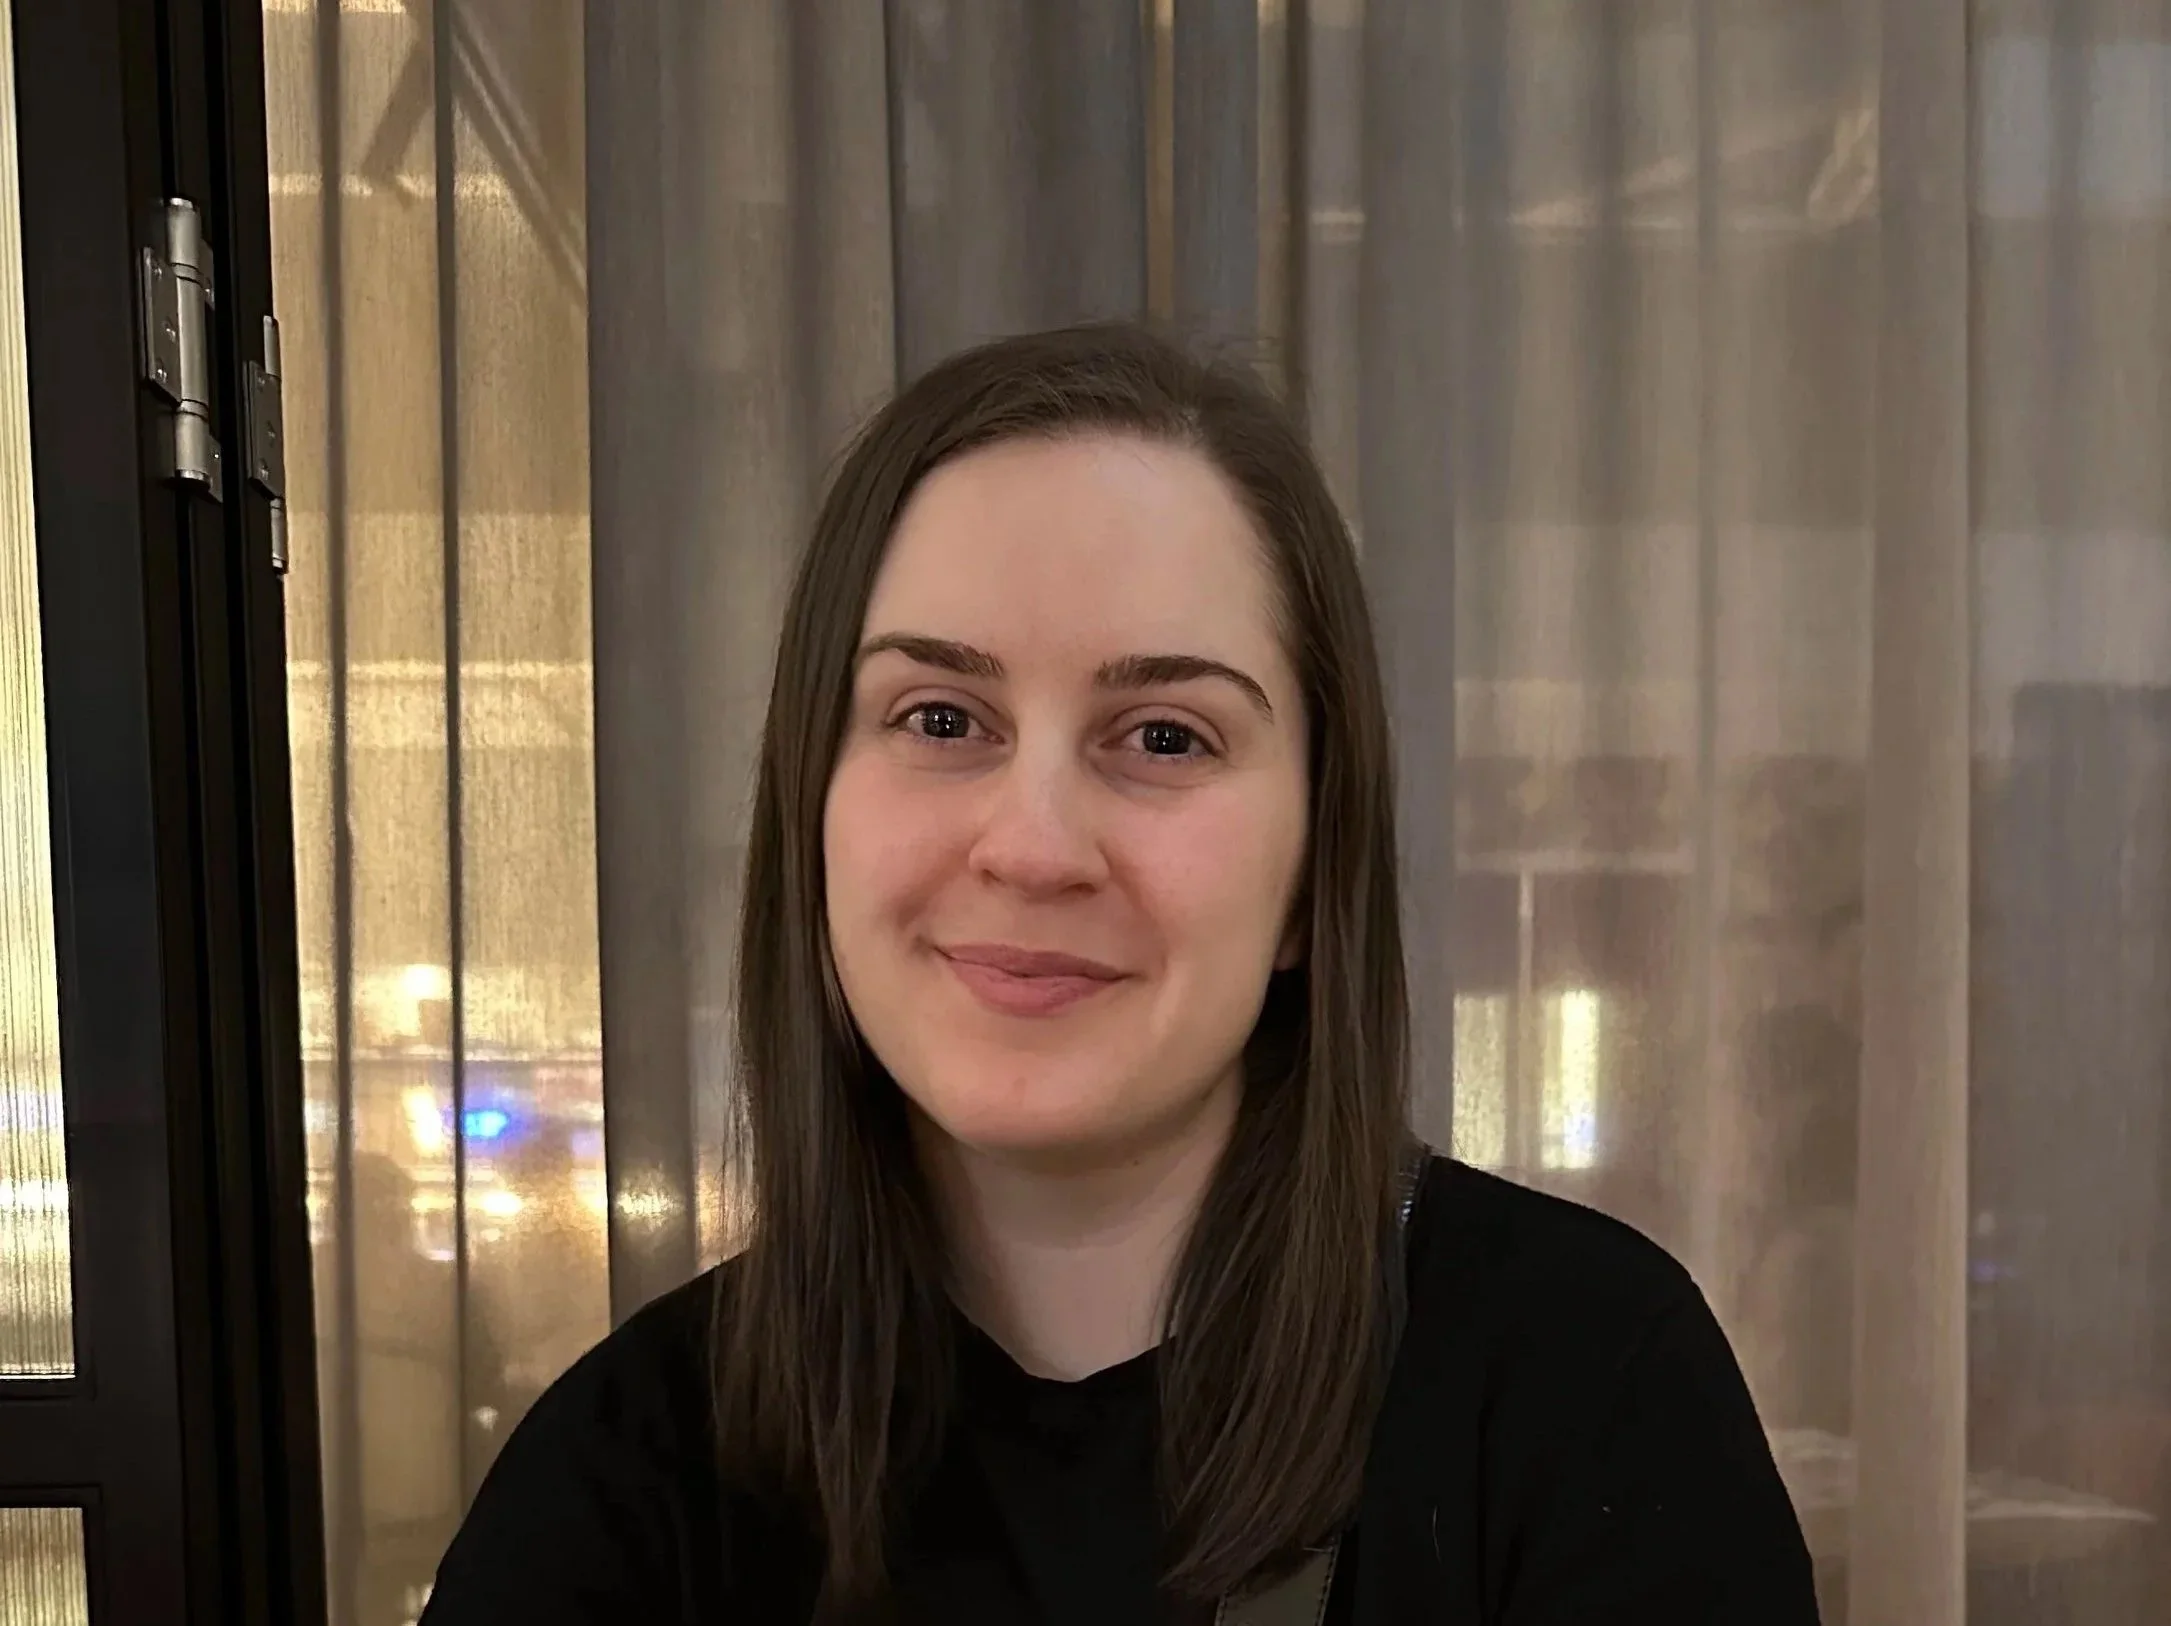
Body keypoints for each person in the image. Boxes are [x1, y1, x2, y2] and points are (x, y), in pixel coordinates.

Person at [418, 324, 1817, 1624]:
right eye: (941, 715)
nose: (1032, 847)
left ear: (1306, 876)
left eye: (1162, 738)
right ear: (812, 817)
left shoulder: (1585, 1391)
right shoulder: (625, 1474)